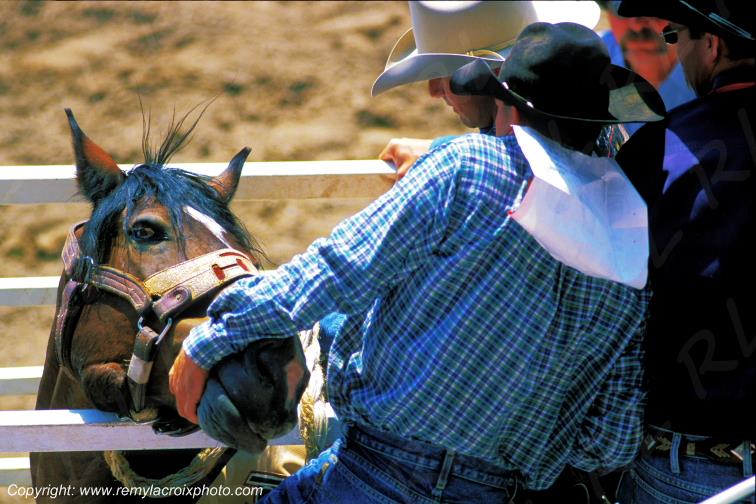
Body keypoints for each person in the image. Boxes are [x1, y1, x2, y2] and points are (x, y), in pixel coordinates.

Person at [170, 21, 665, 502]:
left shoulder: (467, 166)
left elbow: (335, 270)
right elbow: (610, 439)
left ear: (509, 111)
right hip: (503, 489)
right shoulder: (629, 243)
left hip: (380, 470)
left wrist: (215, 336)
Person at [612, 1, 755, 501]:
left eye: (676, 35)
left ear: (712, 45)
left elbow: (606, 304)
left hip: (689, 466)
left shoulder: (663, 146)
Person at [371, 1, 598, 180]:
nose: (433, 91)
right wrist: (437, 149)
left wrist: (442, 157)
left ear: (492, 78)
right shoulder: (579, 127)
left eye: (444, 76)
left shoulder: (479, 172)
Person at [597, 1, 695, 135]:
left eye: (654, 8)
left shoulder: (714, 76)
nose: (636, 25)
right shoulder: (585, 64)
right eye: (618, 6)